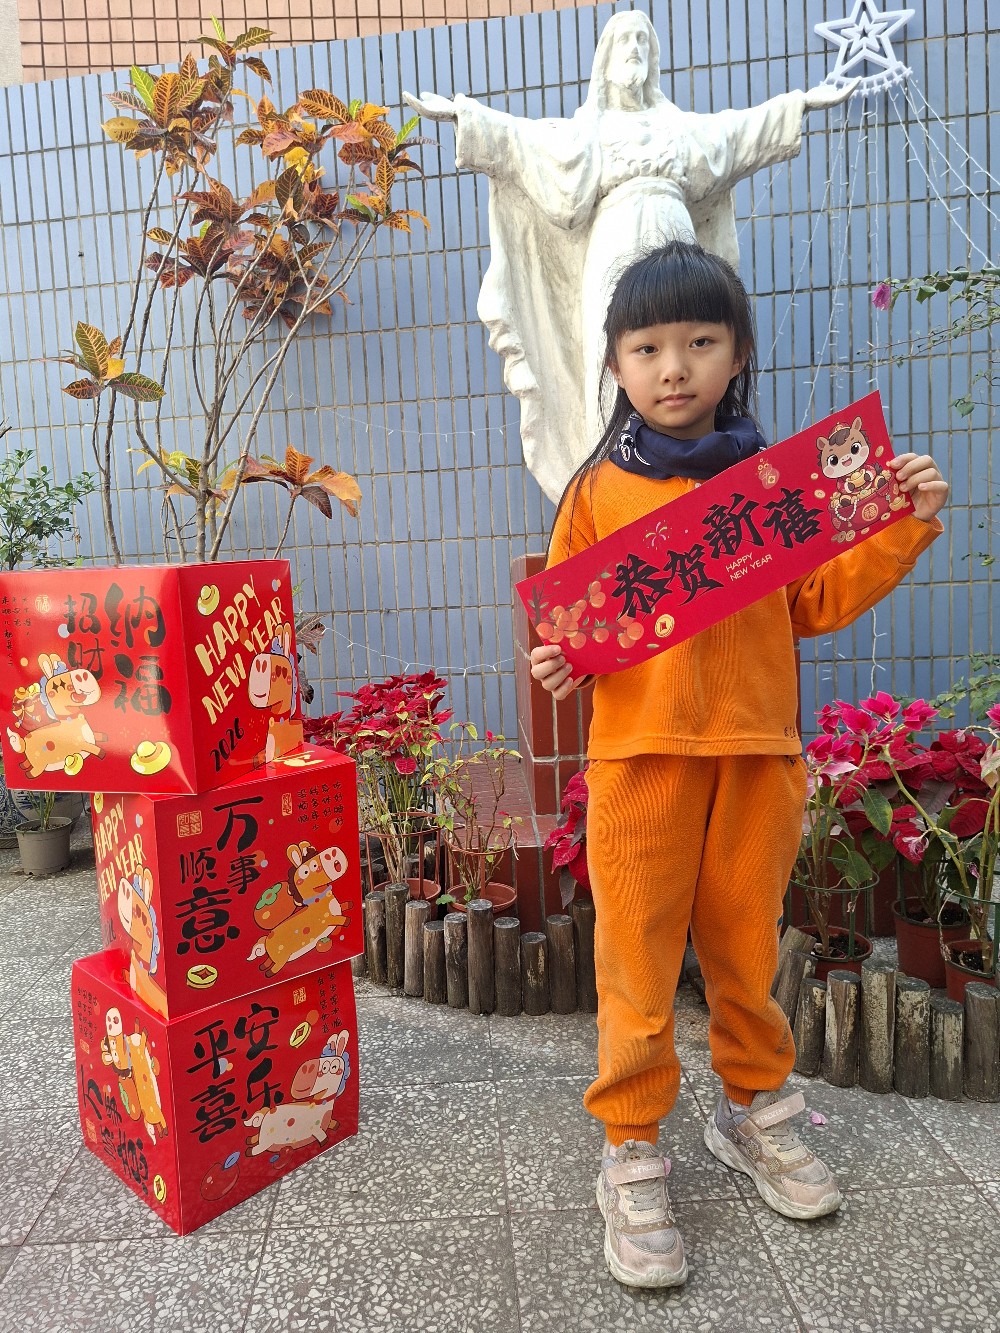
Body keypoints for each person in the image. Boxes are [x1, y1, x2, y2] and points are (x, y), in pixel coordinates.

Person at [529, 241, 948, 1290]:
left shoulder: (778, 487)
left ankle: (753, 1109)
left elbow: (813, 601)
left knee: (745, 949)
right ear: (615, 363)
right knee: (634, 960)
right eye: (647, 347)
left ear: (738, 352)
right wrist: (558, 659)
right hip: (641, 762)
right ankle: (631, 1147)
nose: (674, 367)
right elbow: (572, 629)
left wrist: (903, 527)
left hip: (759, 755)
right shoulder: (595, 492)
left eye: (700, 342)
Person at [404, 11, 855, 503]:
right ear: (606, 58)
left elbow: (737, 132)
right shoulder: (586, 131)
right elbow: (521, 140)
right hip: (612, 242)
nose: (634, 50)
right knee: (617, 335)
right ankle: (611, 461)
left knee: (680, 316)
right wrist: (465, 116)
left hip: (673, 227)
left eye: (643, 40)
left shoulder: (677, 126)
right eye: (625, 41)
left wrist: (798, 104)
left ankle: (693, 465)